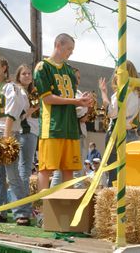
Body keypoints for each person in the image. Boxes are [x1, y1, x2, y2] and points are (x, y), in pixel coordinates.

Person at [33, 33, 93, 192]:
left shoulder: (69, 71)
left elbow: (72, 99)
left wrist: (84, 101)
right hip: (52, 127)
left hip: (70, 127)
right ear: (58, 45)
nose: (71, 52)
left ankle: (67, 211)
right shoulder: (43, 67)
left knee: (69, 170)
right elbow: (47, 99)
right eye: (69, 49)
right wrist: (75, 101)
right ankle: (43, 211)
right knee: (46, 169)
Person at [0, 56, 31, 226]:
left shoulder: (13, 88)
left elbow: (15, 113)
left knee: (12, 174)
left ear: (4, 68)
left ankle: (22, 212)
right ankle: (0, 211)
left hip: (8, 133)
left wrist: (6, 136)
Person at [99, 60, 140, 186]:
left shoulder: (121, 93)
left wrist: (103, 93)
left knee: (114, 171)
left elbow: (112, 112)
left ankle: (114, 197)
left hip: (117, 133)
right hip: (133, 134)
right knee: (131, 170)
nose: (115, 75)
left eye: (117, 72)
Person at [50, 67, 90, 188]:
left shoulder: (78, 93)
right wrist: (80, 104)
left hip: (78, 134)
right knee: (59, 170)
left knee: (77, 169)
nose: (77, 80)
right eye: (75, 77)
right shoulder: (62, 93)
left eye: (79, 78)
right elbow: (76, 112)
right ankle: (51, 201)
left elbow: (82, 115)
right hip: (65, 134)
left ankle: (76, 202)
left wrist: (87, 106)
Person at [15, 64, 39, 216]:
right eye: (24, 74)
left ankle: (22, 205)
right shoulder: (18, 91)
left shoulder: (34, 92)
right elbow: (19, 116)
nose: (27, 76)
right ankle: (23, 207)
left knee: (24, 170)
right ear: (18, 76)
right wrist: (32, 109)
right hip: (24, 131)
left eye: (29, 73)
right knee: (23, 170)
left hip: (33, 131)